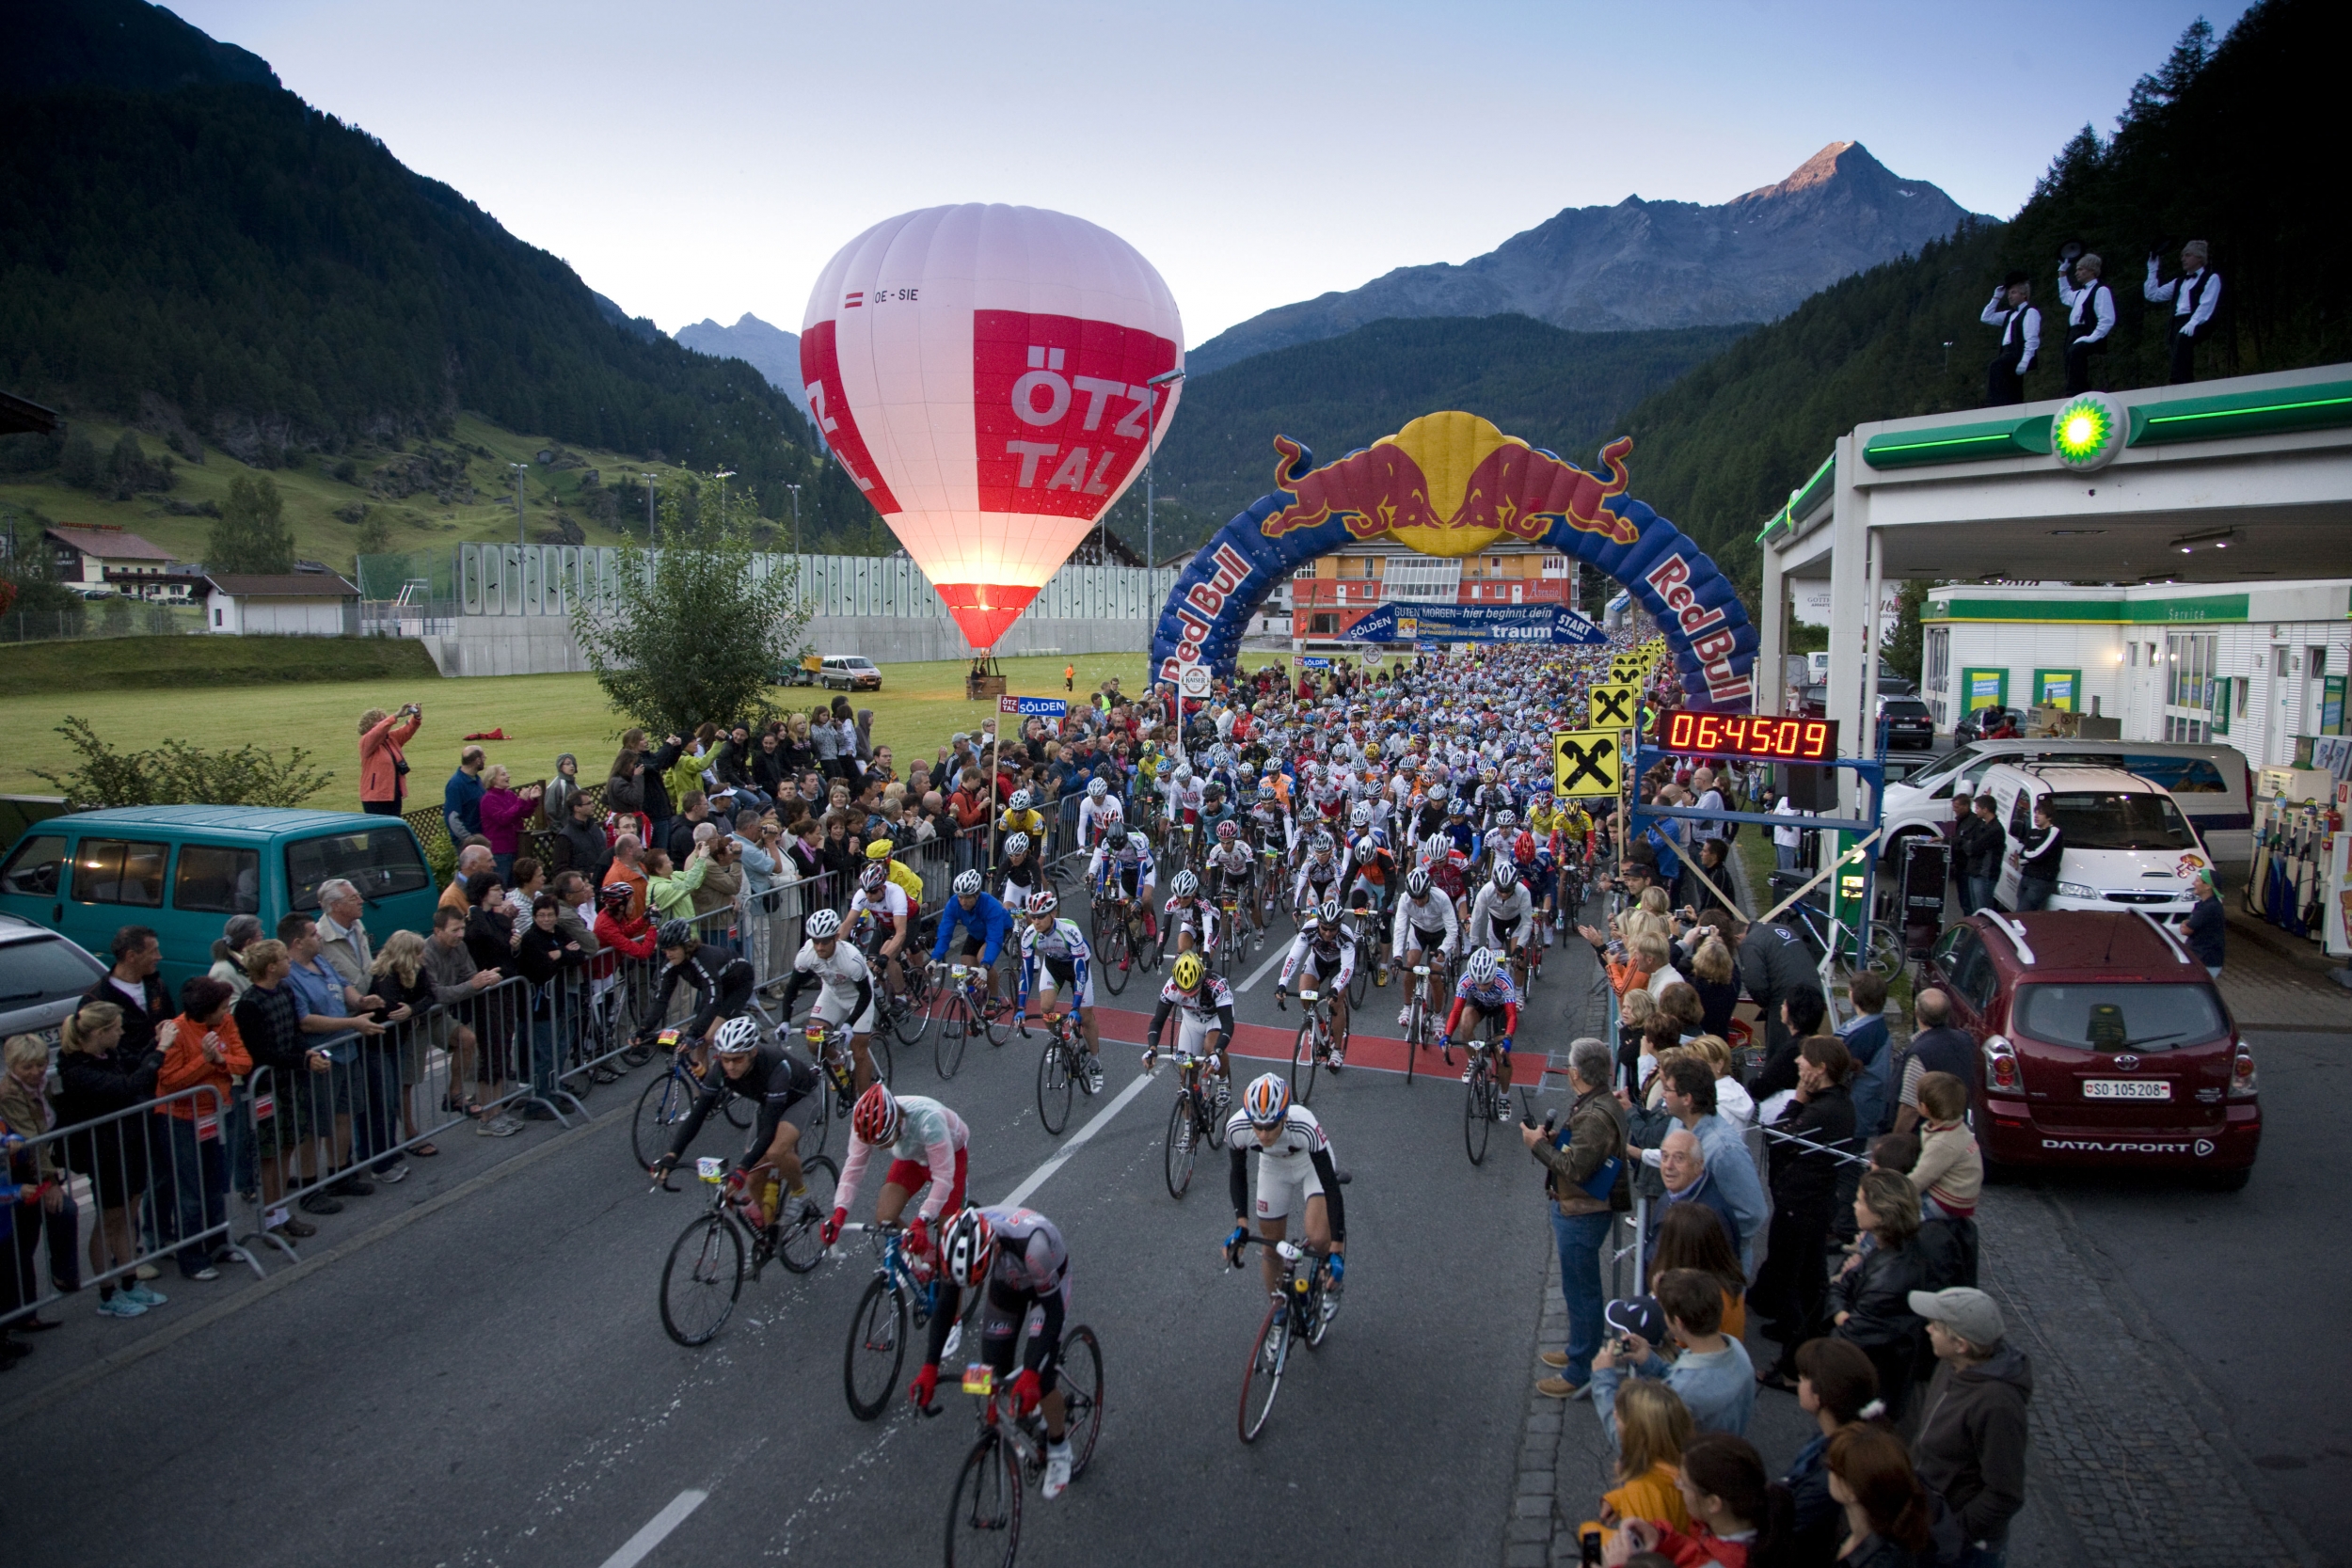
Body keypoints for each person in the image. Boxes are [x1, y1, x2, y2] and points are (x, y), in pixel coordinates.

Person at [913, 1207, 1082, 1497]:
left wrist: (1030, 1373)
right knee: (993, 1372)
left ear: (995, 1247)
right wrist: (930, 1368)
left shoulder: (1035, 1249)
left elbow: (1053, 1316)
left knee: (1040, 1378)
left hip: (1046, 1286)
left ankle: (1059, 1446)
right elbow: (944, 1308)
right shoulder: (951, 1243)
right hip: (1006, 1283)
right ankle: (1032, 1419)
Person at [648, 1016, 822, 1234]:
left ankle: (800, 1195)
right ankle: (770, 1233)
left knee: (776, 1150)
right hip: (768, 1102)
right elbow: (697, 1115)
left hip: (802, 1098)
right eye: (726, 1059)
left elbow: (768, 1131)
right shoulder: (720, 1070)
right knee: (753, 1177)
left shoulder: (776, 1067)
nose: (730, 1066)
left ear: (753, 1053)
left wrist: (741, 1168)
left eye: (738, 1059)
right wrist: (672, 1155)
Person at [1753, 1036, 1856, 1389]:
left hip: (1801, 1205)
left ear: (1820, 1069)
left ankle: (1795, 1364)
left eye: (1804, 1061)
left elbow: (1779, 1139)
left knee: (1800, 1281)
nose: (1798, 1064)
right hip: (1808, 1202)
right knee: (1803, 1278)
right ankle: (1790, 1329)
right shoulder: (1835, 1103)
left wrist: (1797, 1096)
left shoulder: (1822, 1110)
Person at [1526, 1037, 1626, 1400]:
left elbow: (1575, 1167)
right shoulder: (1599, 1101)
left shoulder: (1597, 1113)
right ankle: (1578, 1350)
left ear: (1575, 1074)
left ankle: (1582, 1369)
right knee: (1576, 1289)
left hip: (1583, 1212)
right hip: (1578, 1208)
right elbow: (1582, 1150)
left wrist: (1538, 1146)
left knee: (1583, 1293)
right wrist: (1554, 1139)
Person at [1909, 1287, 2032, 1568]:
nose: (1927, 1329)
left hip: (1962, 1550)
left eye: (1936, 1327)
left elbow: (2004, 1494)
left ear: (1961, 1344)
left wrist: (1953, 1533)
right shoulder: (1952, 1365)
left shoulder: (1998, 1405)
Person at [1221, 1072, 1346, 1300]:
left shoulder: (1304, 1124)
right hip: (1273, 1165)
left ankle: (1331, 1287)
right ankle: (1279, 1317)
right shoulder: (1236, 1128)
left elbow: (1330, 1185)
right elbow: (1238, 1173)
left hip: (1309, 1162)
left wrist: (1337, 1246)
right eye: (1257, 1126)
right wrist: (1242, 1225)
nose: (1263, 1134)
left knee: (1318, 1236)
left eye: (1270, 1126)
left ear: (1285, 1115)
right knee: (1271, 1248)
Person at [1594, 1267, 1756, 1444]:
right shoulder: (1735, 1349)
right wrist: (1650, 1362)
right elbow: (1698, 1376)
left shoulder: (1681, 1393)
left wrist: (1603, 1378)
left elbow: (1631, 1443)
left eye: (1664, 1312)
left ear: (1678, 1322)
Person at [821, 1084, 971, 1257]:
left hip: (950, 1154)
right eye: (874, 1143)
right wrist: (839, 1213)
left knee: (948, 1231)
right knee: (885, 1218)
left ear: (899, 1122)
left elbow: (943, 1179)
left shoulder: (930, 1121)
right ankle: (927, 1257)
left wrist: (921, 1220)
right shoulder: (864, 1123)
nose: (881, 1149)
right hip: (913, 1158)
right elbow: (853, 1168)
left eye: (884, 1140)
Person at [1608, 1432, 1795, 1568]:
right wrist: (1660, 1537)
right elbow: (1698, 1550)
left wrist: (1619, 1566)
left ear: (1713, 1503)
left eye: (1683, 1483)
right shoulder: (1751, 1527)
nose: (1677, 1485)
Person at [1829, 1169, 1930, 1420]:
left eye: (1861, 1200)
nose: (1854, 1205)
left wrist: (1840, 1309)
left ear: (1882, 1213)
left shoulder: (1890, 1277)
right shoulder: (1895, 1247)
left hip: (1870, 1385)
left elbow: (1851, 1331)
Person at [1783, 1338, 1888, 1565]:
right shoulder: (1848, 1434)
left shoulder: (1831, 1475)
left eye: (1802, 1378)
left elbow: (1788, 1524)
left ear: (1818, 1398)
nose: (1798, 1383)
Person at [1014, 888, 1104, 1093]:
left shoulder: (1069, 930)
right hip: (1053, 966)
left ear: (1053, 914)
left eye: (1040, 917)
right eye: (1033, 916)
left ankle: (1095, 1063)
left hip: (1077, 968)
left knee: (1086, 1017)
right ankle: (1059, 1039)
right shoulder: (1029, 936)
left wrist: (1074, 1007)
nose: (1035, 921)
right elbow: (1026, 974)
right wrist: (1020, 1007)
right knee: (1045, 1007)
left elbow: (1081, 973)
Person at [1589, 1379, 1694, 1549]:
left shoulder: (1641, 1488)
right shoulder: (1683, 1464)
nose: (1614, 1414)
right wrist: (1618, 1499)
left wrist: (1592, 1532)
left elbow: (1641, 1552)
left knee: (1589, 1535)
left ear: (1637, 1434)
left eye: (1621, 1415)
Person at [1826, 1424, 1935, 1568]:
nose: (1828, 1473)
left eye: (1833, 1469)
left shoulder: (1884, 1561)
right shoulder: (1859, 1523)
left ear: (1852, 1491)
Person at [1438, 945, 1519, 1110]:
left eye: (1486, 983)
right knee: (1464, 1024)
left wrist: (1508, 1039)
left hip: (1500, 1008)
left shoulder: (1504, 982)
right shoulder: (1466, 979)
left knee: (1501, 1053)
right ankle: (1473, 1061)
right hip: (1479, 1004)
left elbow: (1511, 1015)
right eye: (1478, 983)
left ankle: (1504, 1095)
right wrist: (1446, 1036)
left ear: (1493, 975)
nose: (1481, 986)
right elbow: (1456, 1010)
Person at [1145, 950, 1234, 1090]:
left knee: (1210, 1047)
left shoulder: (1217, 984)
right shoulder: (1171, 987)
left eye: (1193, 991)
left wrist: (1217, 1052)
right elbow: (1157, 1021)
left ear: (1201, 979)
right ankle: (1190, 1101)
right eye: (1184, 992)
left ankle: (1223, 1082)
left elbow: (1228, 1024)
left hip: (1215, 1018)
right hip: (1191, 1019)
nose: (1190, 996)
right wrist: (1152, 1048)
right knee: (1185, 1068)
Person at [1893, 990, 1976, 1134]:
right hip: (1957, 1127)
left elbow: (1910, 1109)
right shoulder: (1965, 1040)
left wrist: (1895, 1143)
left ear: (1916, 1012)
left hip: (1926, 1135)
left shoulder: (1920, 1053)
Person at [2145, 240, 2221, 385]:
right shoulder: (2178, 282)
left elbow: (2206, 304)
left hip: (2199, 320)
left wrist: (2193, 322)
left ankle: (2178, 381)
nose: (2183, 259)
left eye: (2188, 255)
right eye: (2182, 255)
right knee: (2176, 348)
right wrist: (2153, 268)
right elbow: (2152, 294)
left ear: (2199, 258)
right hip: (2178, 320)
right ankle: (2185, 381)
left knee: (2183, 340)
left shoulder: (2211, 278)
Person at [2054, 250, 2116, 396]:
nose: (2077, 273)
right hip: (2074, 333)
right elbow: (2065, 296)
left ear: (2092, 271)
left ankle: (2077, 391)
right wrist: (2062, 272)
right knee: (2068, 358)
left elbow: (2107, 319)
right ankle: (2072, 390)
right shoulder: (2079, 294)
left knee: (2076, 353)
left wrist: (2092, 337)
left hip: (2088, 332)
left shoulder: (2101, 290)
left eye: (2081, 269)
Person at [358, 704, 422, 816]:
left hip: (393, 794)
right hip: (375, 797)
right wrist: (396, 716)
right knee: (379, 831)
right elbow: (377, 732)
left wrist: (416, 717)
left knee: (393, 829)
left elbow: (407, 730)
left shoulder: (391, 739)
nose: (386, 722)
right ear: (369, 725)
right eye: (381, 720)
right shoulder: (366, 742)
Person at [2009, 797, 2061, 913]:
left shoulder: (2054, 832)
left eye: (2041, 813)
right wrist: (2028, 854)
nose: (2036, 816)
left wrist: (2029, 853)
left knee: (2023, 912)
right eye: (2035, 813)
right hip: (2026, 876)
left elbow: (2039, 854)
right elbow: (2022, 856)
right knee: (2021, 909)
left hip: (2041, 880)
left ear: (2049, 817)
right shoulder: (2033, 831)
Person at [1955, 797, 2003, 917]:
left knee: (1983, 911)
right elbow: (1967, 840)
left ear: (1985, 809)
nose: (1975, 810)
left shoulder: (1995, 830)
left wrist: (1968, 845)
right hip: (1974, 872)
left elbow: (1973, 848)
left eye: (1977, 808)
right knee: (1974, 909)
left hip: (1984, 875)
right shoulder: (1981, 825)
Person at [2178, 866, 2224, 976]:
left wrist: (2185, 923)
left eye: (2197, 881)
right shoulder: (2206, 905)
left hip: (2205, 960)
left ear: (2208, 886)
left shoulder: (2209, 908)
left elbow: (2185, 930)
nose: (2193, 883)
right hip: (2202, 959)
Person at [444, 743, 487, 845]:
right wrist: (469, 840)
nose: (485, 759)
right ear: (477, 761)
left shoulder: (477, 779)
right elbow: (452, 819)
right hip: (468, 843)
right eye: (483, 757)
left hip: (481, 839)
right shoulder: (456, 785)